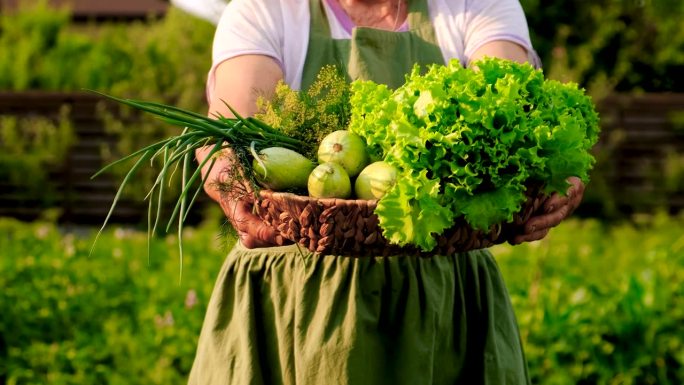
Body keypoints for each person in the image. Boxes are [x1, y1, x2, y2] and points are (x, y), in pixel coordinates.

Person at [191, 0, 585, 384]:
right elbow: (231, 132)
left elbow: (513, 110)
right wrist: (230, 179)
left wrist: (553, 166)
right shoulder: (264, 10)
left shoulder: (476, 6)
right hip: (293, 301)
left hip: (446, 299)